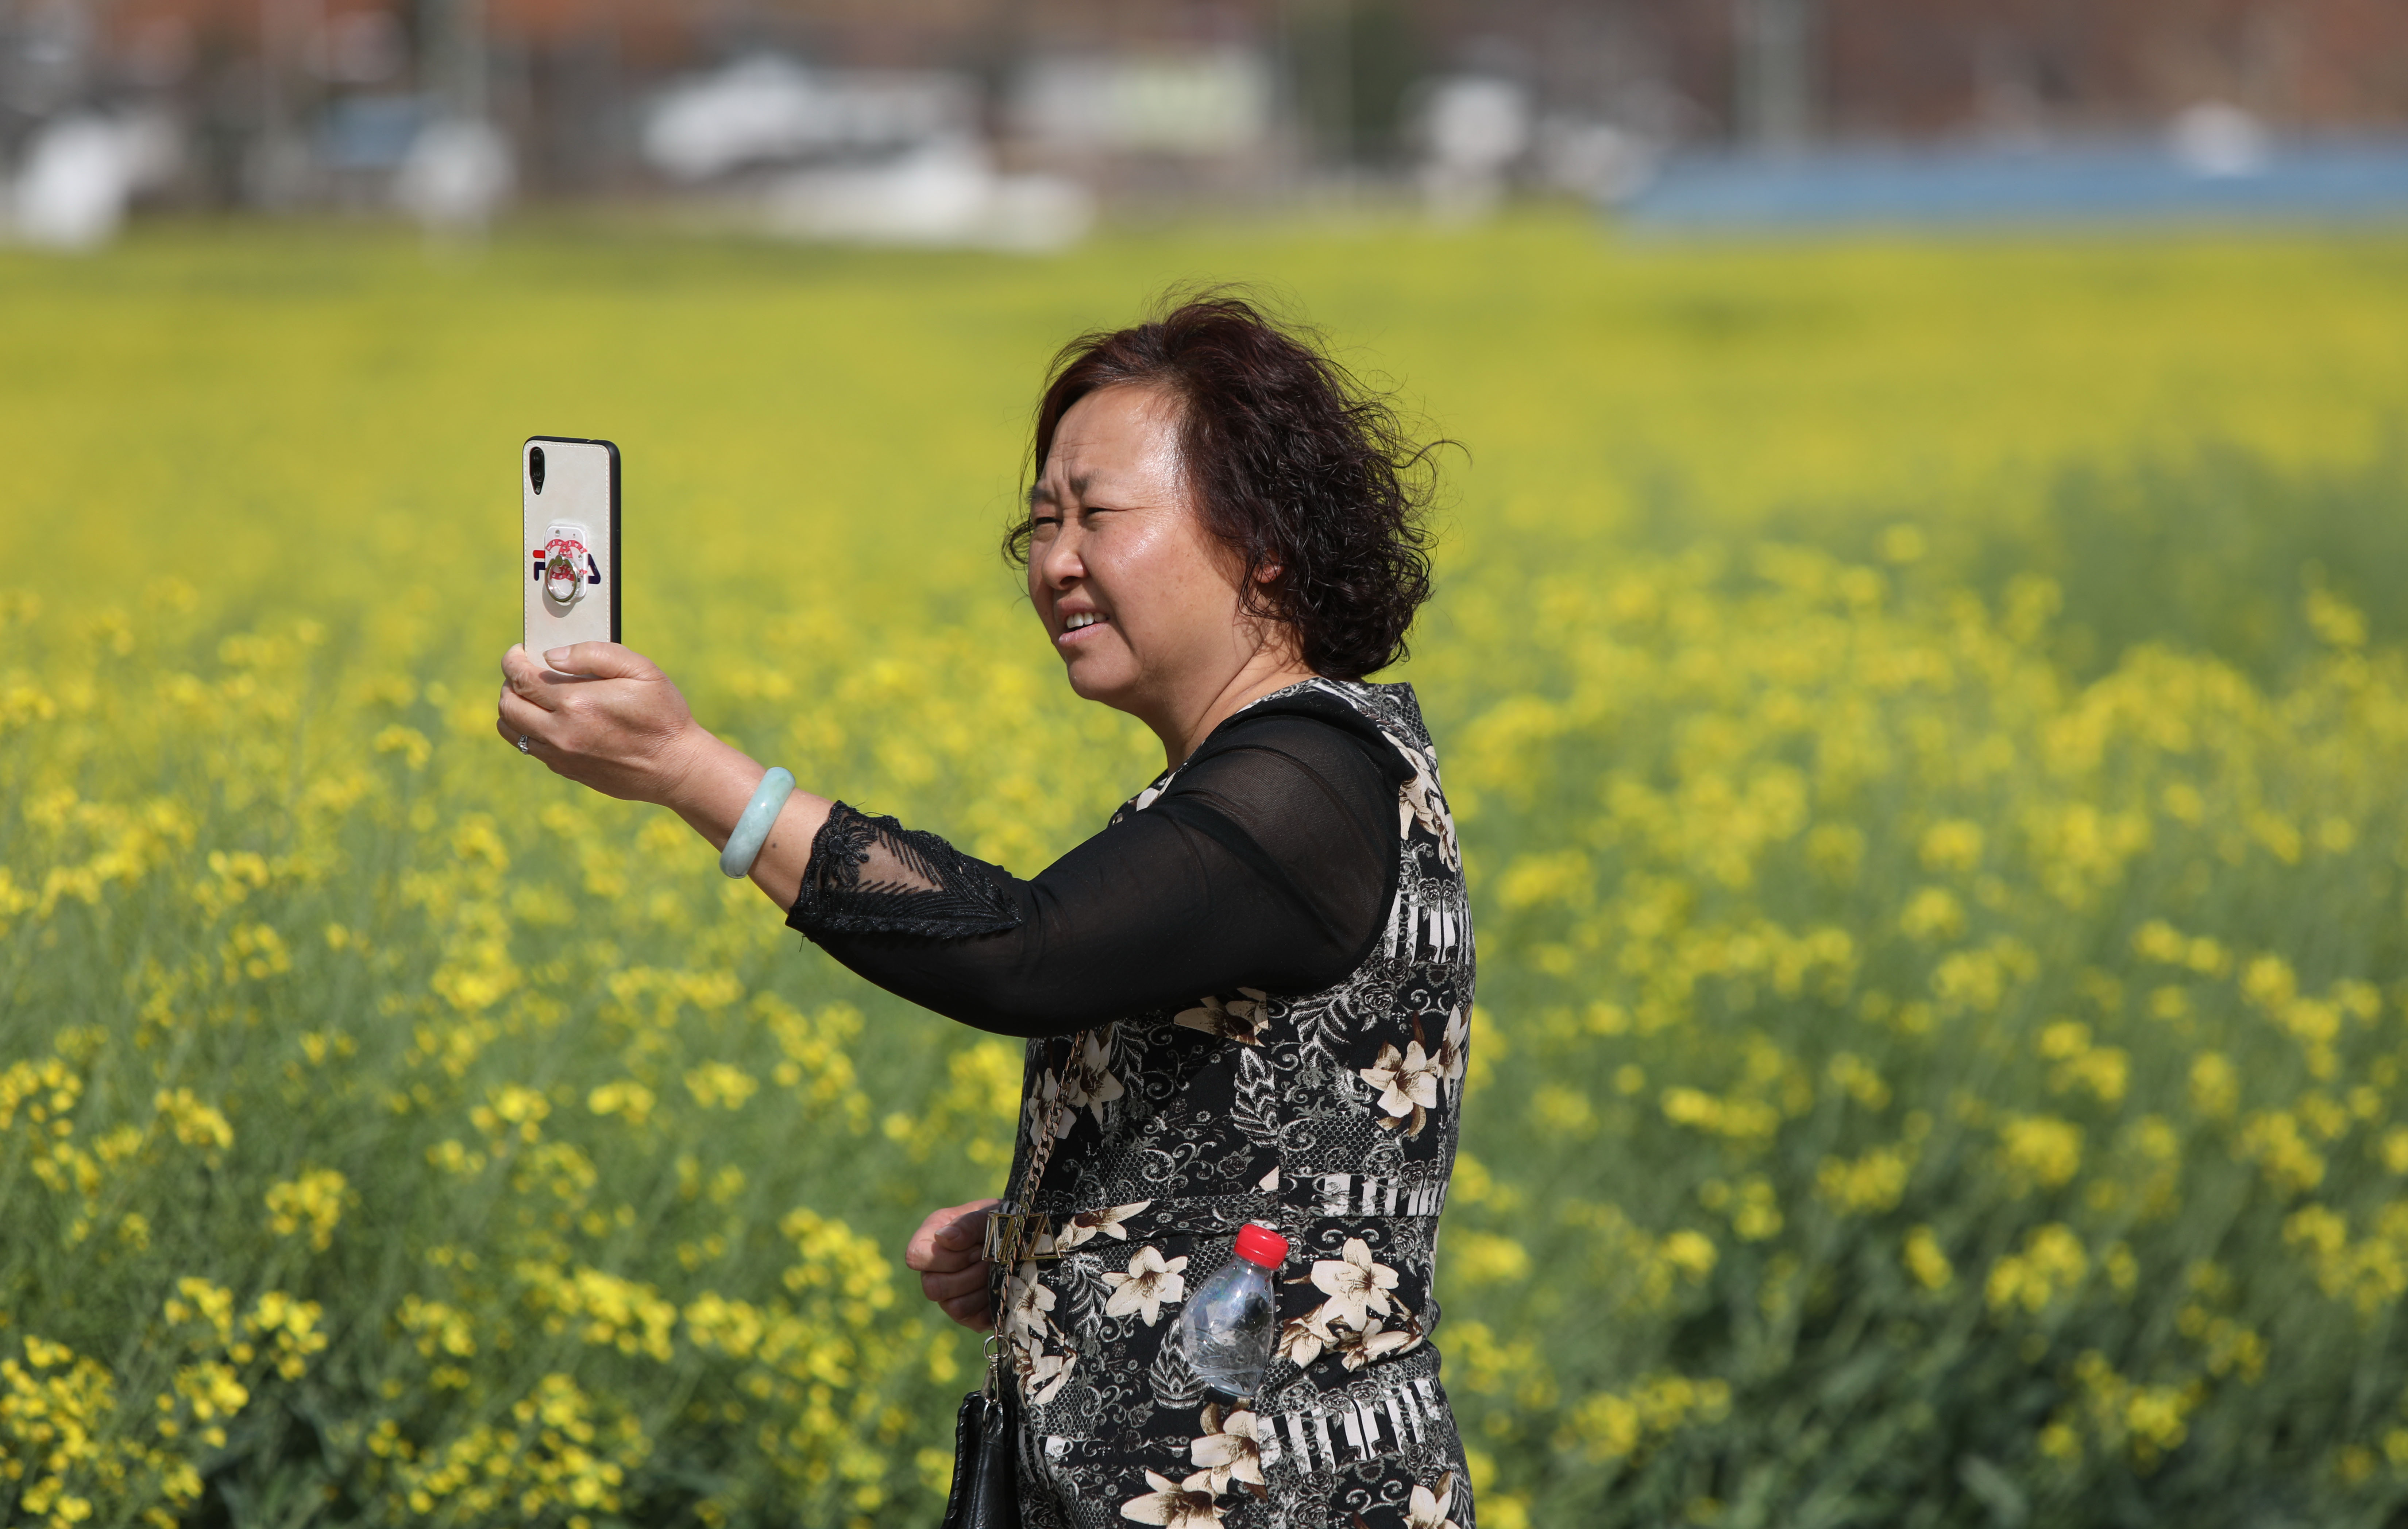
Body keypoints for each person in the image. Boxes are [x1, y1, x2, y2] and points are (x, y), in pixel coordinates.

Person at [495, 295, 1477, 1529]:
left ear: (1262, 542)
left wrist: (697, 772)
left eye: (1099, 516)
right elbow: (1267, 1112)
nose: (1056, 560)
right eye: (1041, 521)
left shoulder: (1310, 783)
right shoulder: (1265, 780)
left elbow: (1027, 950)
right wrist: (1060, 1235)